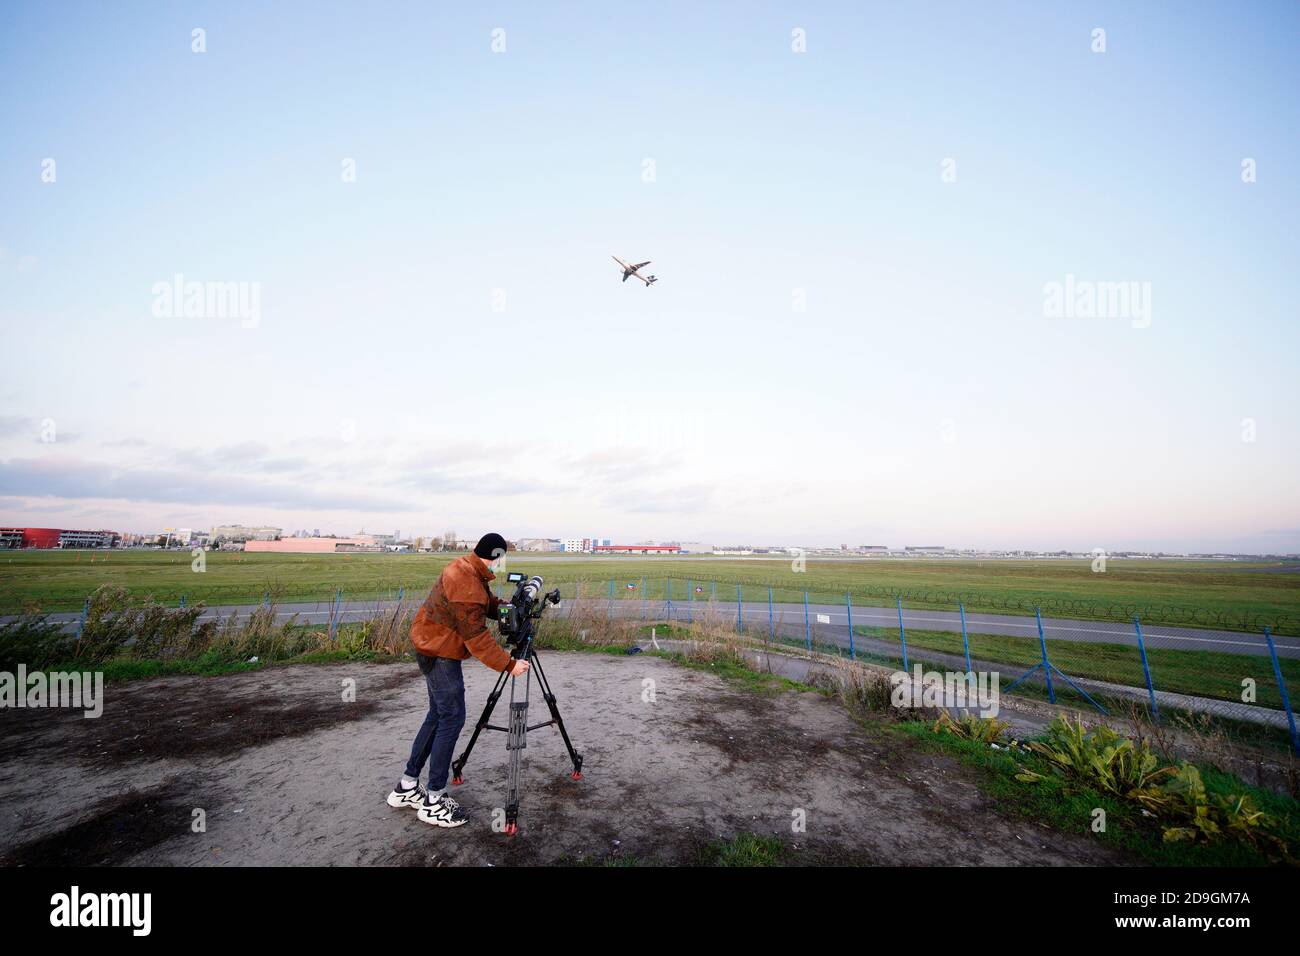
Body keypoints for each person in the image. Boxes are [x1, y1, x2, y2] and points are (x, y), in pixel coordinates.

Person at [386, 532, 529, 828]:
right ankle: (434, 801)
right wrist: (509, 664)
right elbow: (476, 636)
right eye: (503, 559)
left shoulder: (467, 568)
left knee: (438, 716)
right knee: (451, 719)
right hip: (439, 654)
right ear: (495, 556)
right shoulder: (466, 582)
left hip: (432, 646)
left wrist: (505, 607)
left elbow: (482, 604)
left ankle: (407, 786)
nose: (502, 566)